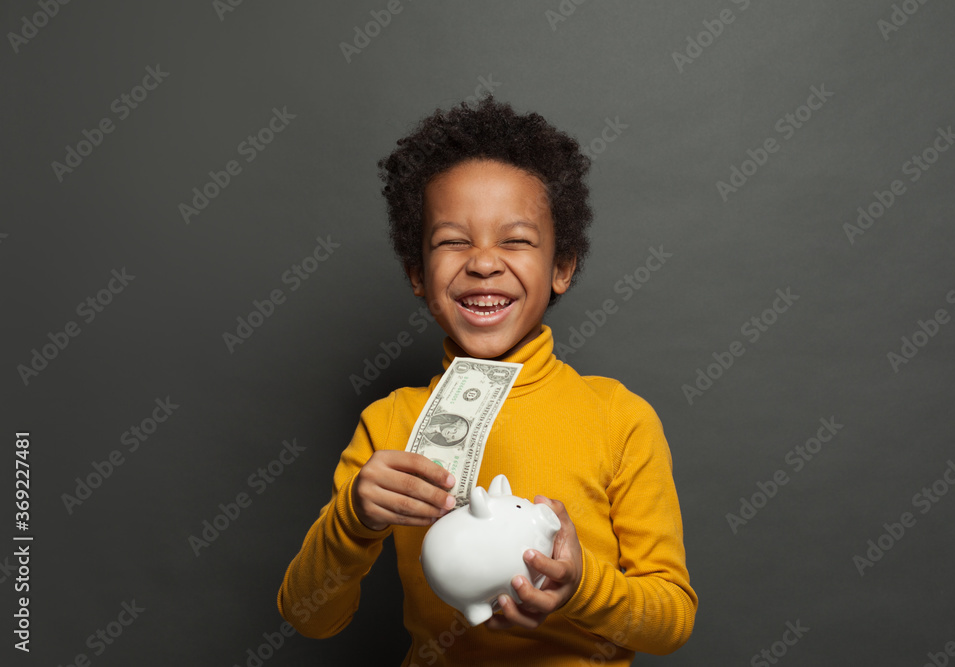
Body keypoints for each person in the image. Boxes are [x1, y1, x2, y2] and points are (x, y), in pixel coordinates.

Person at [276, 94, 697, 666]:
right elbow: (310, 616)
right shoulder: (388, 425)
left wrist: (582, 589)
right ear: (418, 275)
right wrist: (353, 520)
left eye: (515, 240)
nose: (482, 262)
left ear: (562, 267)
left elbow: (670, 620)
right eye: (453, 240)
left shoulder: (618, 418)